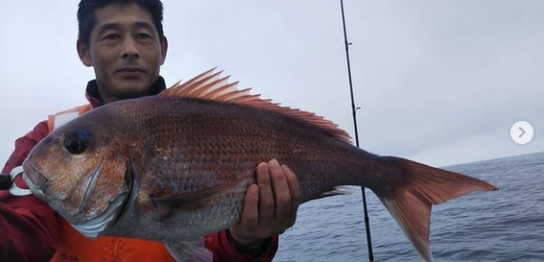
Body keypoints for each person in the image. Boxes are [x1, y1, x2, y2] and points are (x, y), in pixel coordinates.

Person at [0, 0, 301, 261]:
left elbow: (214, 256)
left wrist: (249, 241)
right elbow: (21, 234)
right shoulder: (47, 138)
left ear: (163, 48)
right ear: (84, 51)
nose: (129, 49)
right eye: (111, 36)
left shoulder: (205, 115)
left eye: (142, 35)